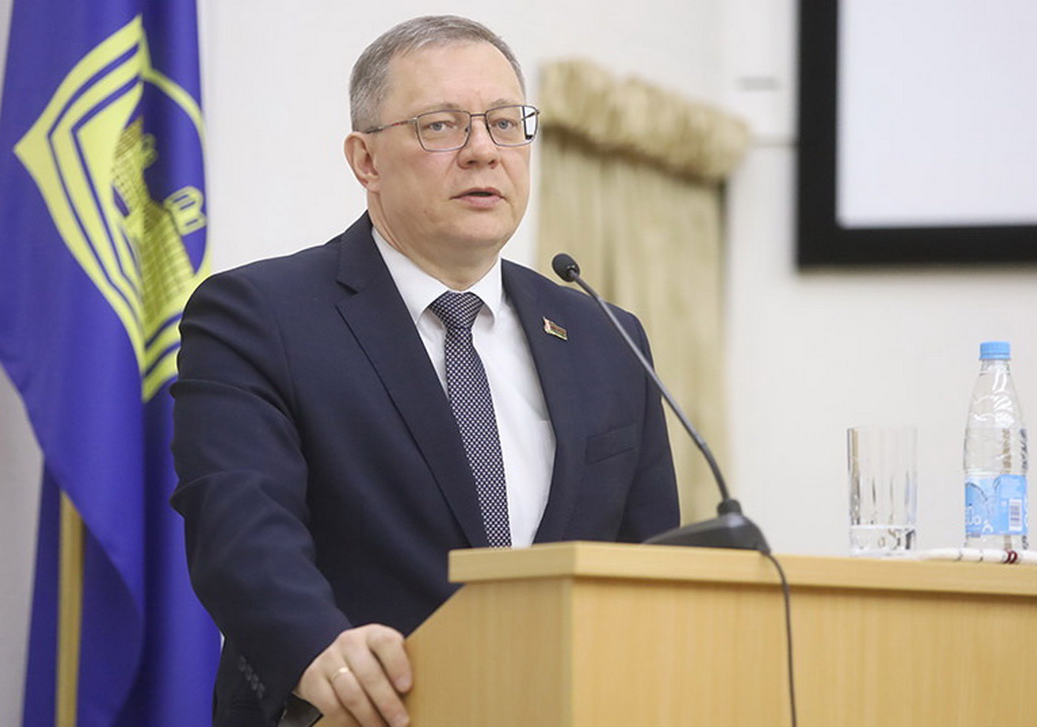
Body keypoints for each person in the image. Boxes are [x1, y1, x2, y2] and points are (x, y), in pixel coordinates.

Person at [171, 15, 679, 727]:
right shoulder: (259, 316)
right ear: (366, 161)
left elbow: (650, 566)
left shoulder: (604, 336)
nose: (483, 151)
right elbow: (238, 521)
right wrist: (320, 651)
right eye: (440, 126)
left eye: (505, 123)